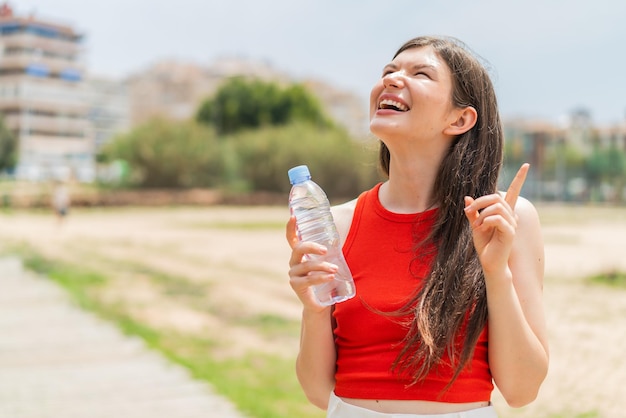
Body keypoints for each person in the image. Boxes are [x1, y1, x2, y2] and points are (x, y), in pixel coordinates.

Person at [286, 35, 548, 418]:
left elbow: (522, 390)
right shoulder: (338, 223)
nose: (391, 80)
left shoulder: (506, 218)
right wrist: (313, 310)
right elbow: (316, 391)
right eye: (388, 72)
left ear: (460, 119)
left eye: (420, 73)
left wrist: (496, 273)